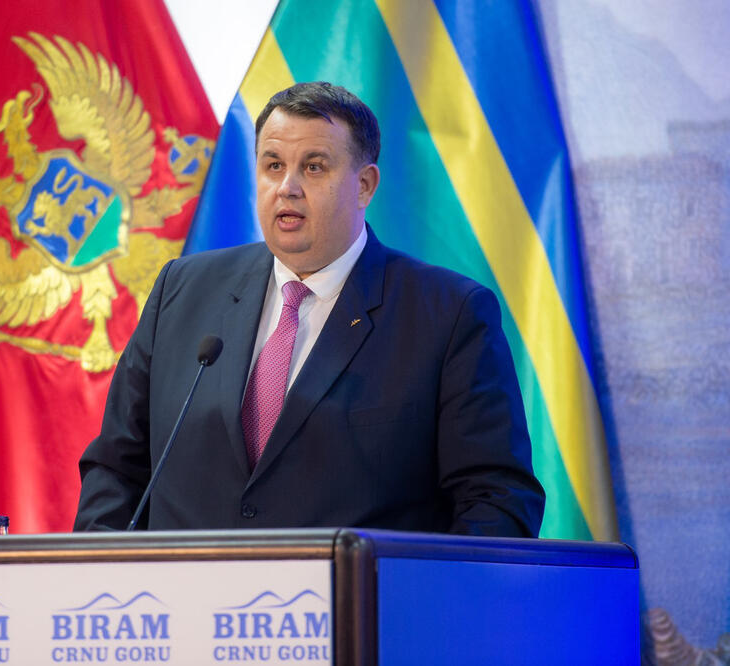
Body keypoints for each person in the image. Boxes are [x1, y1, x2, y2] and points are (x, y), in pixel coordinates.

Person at [74, 82, 545, 536]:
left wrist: (416, 591)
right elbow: (115, 467)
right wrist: (101, 576)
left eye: (314, 167)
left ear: (365, 185)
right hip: (183, 590)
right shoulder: (181, 291)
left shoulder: (448, 316)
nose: (287, 187)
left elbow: (495, 499)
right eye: (273, 165)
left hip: (357, 592)